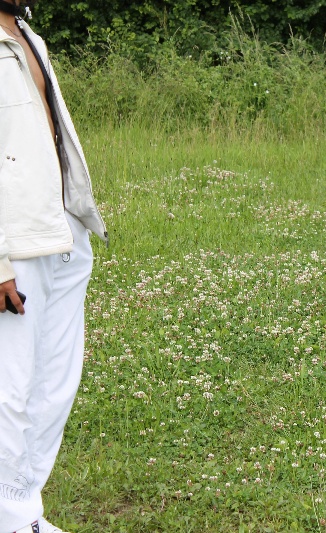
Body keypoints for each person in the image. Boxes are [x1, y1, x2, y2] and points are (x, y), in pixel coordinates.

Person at [0, 0, 108, 531]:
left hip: (61, 227)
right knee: (9, 390)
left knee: (54, 384)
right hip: (14, 245)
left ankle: (22, 509)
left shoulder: (27, 35)